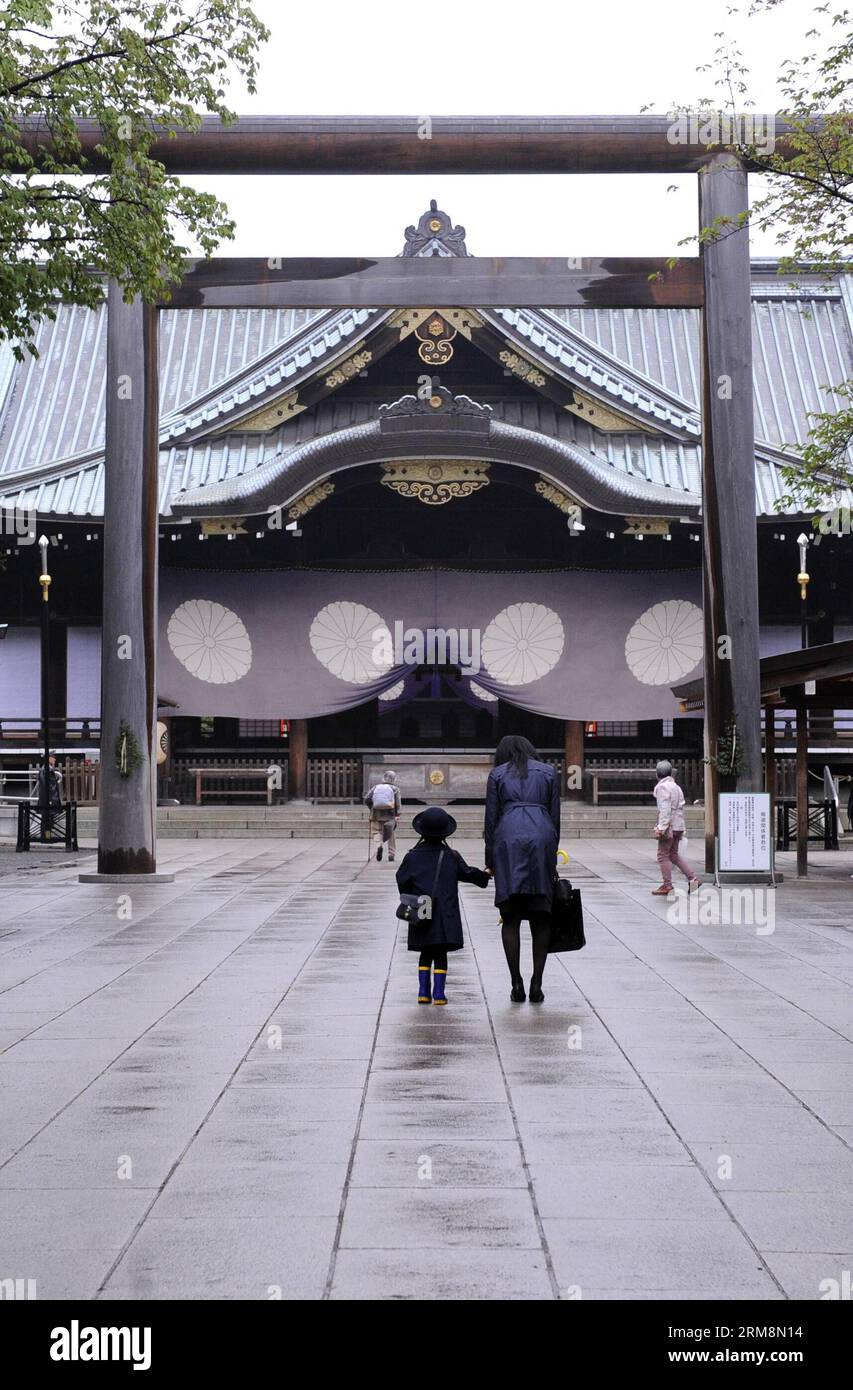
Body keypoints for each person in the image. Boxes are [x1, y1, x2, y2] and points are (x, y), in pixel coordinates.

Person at [485, 734, 560, 1004]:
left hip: (507, 840)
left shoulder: (497, 775)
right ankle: (537, 982)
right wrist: (551, 852)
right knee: (542, 917)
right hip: (542, 838)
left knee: (511, 915)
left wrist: (490, 859)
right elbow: (555, 816)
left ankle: (515, 981)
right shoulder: (549, 772)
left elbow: (491, 818)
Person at [395, 806, 490, 1005]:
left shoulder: (412, 856)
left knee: (425, 953)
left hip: (422, 911)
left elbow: (401, 879)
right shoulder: (451, 856)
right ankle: (439, 994)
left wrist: (412, 896)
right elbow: (468, 873)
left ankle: (423, 992)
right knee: (440, 954)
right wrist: (485, 874)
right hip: (445, 914)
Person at [652, 759, 700, 896]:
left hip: (669, 826)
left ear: (658, 774)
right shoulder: (676, 787)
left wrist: (661, 827)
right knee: (673, 855)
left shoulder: (662, 788)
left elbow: (665, 809)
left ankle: (667, 885)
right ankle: (693, 879)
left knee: (662, 856)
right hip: (679, 824)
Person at [364, 770, 401, 862]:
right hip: (390, 815)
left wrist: (372, 808)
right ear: (394, 779)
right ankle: (391, 854)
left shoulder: (376, 787)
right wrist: (398, 814)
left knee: (377, 832)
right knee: (391, 833)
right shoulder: (395, 789)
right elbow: (398, 804)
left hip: (376, 814)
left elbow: (367, 799)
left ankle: (379, 846)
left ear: (383, 778)